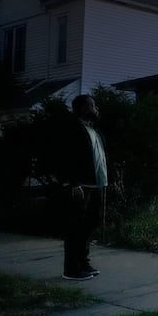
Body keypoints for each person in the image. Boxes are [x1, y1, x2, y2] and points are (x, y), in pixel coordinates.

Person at [60, 94, 108, 281]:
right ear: (81, 108)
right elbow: (66, 157)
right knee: (76, 227)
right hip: (81, 186)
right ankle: (71, 270)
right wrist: (73, 183)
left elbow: (102, 156)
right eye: (92, 105)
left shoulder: (94, 129)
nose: (95, 108)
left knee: (89, 226)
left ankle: (83, 263)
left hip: (97, 184)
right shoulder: (73, 129)